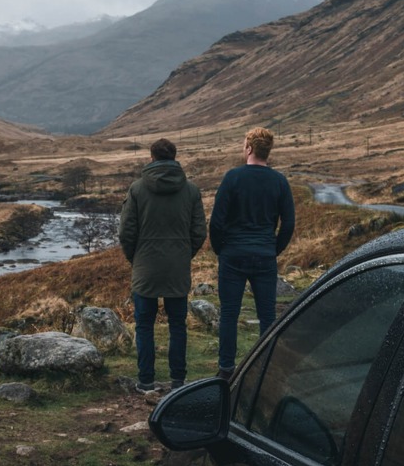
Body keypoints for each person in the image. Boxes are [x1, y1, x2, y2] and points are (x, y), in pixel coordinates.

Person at [119, 138, 206, 393]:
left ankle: (145, 381)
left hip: (145, 266)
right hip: (177, 267)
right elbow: (199, 231)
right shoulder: (191, 190)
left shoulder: (136, 189)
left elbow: (126, 232)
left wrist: (134, 258)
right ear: (175, 157)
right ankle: (178, 381)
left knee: (144, 324)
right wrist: (184, 254)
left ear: (151, 158)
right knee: (177, 324)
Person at [209, 126, 295, 379]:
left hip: (233, 254)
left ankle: (226, 369)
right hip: (264, 255)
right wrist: (273, 249)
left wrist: (220, 249)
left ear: (248, 148)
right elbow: (288, 223)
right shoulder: (279, 181)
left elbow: (216, 222)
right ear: (268, 151)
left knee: (229, 313)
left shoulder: (232, 178)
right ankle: (264, 367)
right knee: (267, 314)